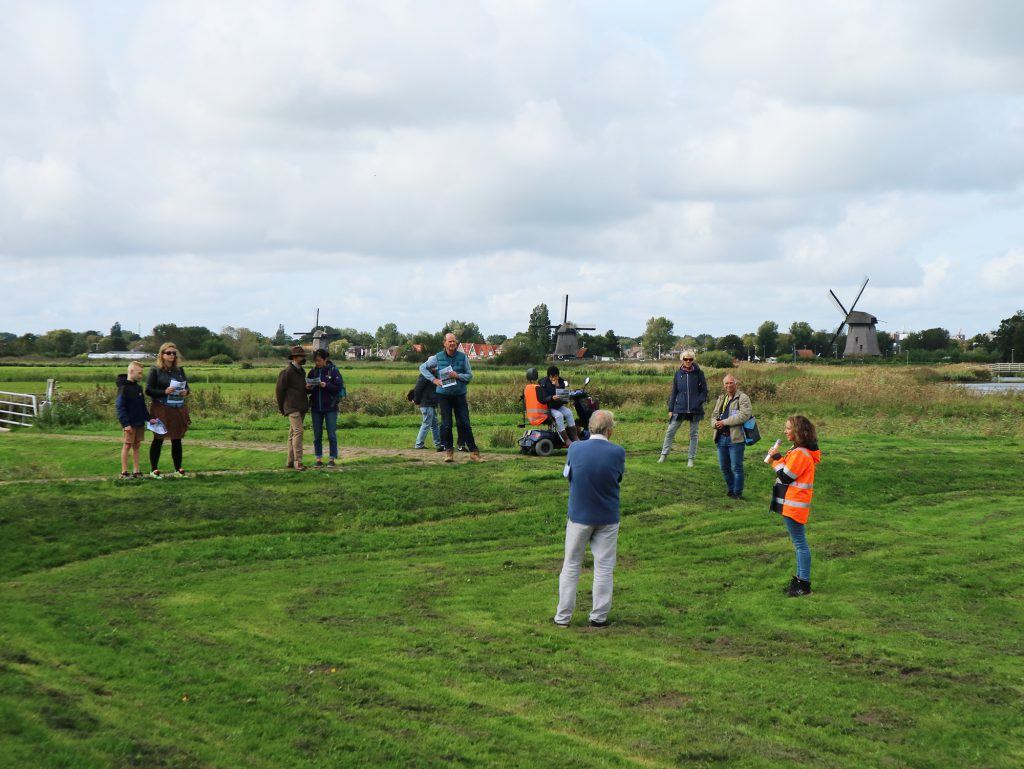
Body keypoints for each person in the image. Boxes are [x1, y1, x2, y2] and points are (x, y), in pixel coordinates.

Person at [553, 410, 626, 628]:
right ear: (610, 431)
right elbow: (618, 478)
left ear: (590, 427)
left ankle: (562, 617)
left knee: (571, 564)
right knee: (604, 567)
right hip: (607, 517)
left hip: (579, 516)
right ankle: (599, 617)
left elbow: (569, 476)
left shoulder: (575, 448)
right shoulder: (618, 452)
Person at [768, 415, 822, 597]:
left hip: (794, 505)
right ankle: (800, 580)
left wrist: (776, 458)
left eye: (788, 428)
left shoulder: (801, 453)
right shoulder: (798, 451)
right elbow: (788, 472)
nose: (785, 431)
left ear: (798, 431)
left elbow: (786, 476)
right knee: (799, 544)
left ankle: (804, 585)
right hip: (793, 504)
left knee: (800, 544)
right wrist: (779, 459)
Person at [419, 333, 482, 463]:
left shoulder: (463, 357)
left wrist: (457, 376)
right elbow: (422, 368)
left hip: (459, 395)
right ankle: (449, 451)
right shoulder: (437, 357)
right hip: (444, 395)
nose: (452, 343)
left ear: (456, 343)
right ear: (444, 343)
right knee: (446, 424)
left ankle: (474, 452)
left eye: (454, 341)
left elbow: (469, 376)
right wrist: (434, 380)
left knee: (464, 423)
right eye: (449, 341)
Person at [145, 342, 191, 478]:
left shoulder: (179, 370)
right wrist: (164, 391)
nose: (172, 355)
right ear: (162, 355)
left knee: (176, 439)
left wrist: (185, 392)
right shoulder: (155, 370)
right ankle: (154, 469)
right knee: (158, 438)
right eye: (169, 353)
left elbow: (188, 388)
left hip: (177, 407)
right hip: (160, 408)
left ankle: (178, 469)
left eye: (174, 353)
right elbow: (148, 390)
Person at [658, 349, 708, 466]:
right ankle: (663, 455)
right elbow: (674, 392)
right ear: (682, 360)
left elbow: (704, 391)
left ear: (693, 360)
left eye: (690, 359)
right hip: (679, 408)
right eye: (686, 359)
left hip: (695, 409)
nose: (688, 361)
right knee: (670, 431)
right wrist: (671, 409)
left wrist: (699, 401)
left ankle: (691, 459)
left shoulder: (699, 373)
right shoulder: (678, 374)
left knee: (693, 434)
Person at [711, 374, 753, 499]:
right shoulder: (721, 398)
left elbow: (744, 415)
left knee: (736, 467)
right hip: (721, 438)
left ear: (736, 383)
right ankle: (731, 489)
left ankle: (737, 493)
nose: (729, 385)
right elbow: (714, 415)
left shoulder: (743, 398)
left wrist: (724, 422)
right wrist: (715, 424)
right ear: (724, 385)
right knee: (724, 467)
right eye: (726, 383)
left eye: (731, 383)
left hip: (736, 438)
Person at [115, 361, 155, 479]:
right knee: (127, 445)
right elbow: (120, 406)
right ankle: (124, 472)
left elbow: (142, 406)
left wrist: (149, 419)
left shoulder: (138, 388)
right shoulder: (123, 388)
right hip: (129, 424)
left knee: (137, 446)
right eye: (139, 373)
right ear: (131, 372)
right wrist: (125, 424)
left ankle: (136, 471)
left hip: (139, 423)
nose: (141, 375)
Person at [276, 345, 312, 471]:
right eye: (301, 356)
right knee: (299, 432)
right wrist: (281, 408)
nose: (304, 358)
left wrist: (308, 388)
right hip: (291, 407)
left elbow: (302, 390)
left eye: (304, 356)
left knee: (293, 434)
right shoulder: (286, 372)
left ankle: (290, 461)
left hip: (301, 406)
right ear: (295, 358)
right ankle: (299, 462)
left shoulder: (302, 372)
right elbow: (279, 391)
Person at [308, 348, 344, 467]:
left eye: (319, 360)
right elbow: (307, 391)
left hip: (330, 408)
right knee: (317, 435)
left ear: (325, 360)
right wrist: (307, 387)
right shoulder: (312, 372)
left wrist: (326, 385)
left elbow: (338, 387)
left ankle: (332, 458)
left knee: (331, 434)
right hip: (316, 408)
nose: (317, 363)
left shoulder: (333, 371)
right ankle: (318, 459)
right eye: (315, 361)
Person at [539, 365, 579, 446]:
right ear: (550, 376)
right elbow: (543, 399)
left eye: (557, 376)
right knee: (559, 415)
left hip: (558, 405)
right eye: (555, 377)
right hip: (549, 408)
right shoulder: (543, 384)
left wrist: (557, 386)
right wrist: (552, 398)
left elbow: (563, 395)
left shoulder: (560, 381)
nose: (557, 378)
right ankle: (566, 440)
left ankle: (575, 437)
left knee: (569, 412)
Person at [412, 372, 442, 451]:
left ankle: (439, 444)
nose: (436, 367)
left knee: (434, 424)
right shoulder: (424, 374)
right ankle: (419, 444)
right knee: (426, 423)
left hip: (431, 403)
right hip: (426, 403)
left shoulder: (434, 375)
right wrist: (416, 400)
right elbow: (418, 388)